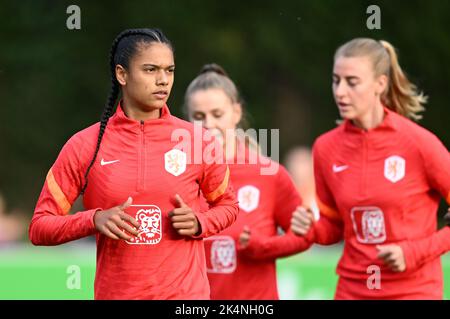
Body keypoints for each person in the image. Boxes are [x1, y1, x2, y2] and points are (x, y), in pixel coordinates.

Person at [28, 28, 239, 300]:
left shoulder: (199, 141)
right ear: (122, 74)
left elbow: (228, 205)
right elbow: (39, 227)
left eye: (169, 70)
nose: (163, 80)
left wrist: (200, 222)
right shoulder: (85, 145)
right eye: (150, 70)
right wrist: (93, 219)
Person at [291, 38, 450, 299]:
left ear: (380, 84)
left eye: (352, 82)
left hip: (413, 291)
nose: (340, 91)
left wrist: (413, 253)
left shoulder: (419, 144)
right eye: (335, 80)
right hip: (353, 290)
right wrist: (309, 228)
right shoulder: (325, 147)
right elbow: (334, 227)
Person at [184, 63, 311, 299]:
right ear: (188, 120)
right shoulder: (179, 177)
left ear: (236, 113)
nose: (209, 125)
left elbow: (306, 234)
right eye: (199, 117)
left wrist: (264, 247)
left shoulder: (268, 174)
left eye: (217, 114)